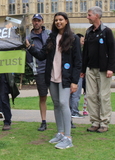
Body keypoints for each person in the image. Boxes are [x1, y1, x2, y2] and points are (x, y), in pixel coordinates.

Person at [26, 12, 81, 149]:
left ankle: (68, 137)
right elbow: (41, 55)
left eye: (61, 20)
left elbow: (78, 62)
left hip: (65, 77)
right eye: (56, 20)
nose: (58, 22)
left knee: (63, 103)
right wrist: (28, 47)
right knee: (56, 104)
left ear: (66, 21)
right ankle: (60, 132)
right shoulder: (52, 37)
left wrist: (74, 81)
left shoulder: (73, 38)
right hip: (52, 76)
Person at [81, 6, 115, 133]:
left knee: (103, 96)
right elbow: (85, 52)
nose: (87, 17)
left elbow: (112, 51)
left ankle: (104, 122)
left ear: (97, 16)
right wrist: (82, 69)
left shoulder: (107, 31)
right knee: (90, 96)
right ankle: (95, 122)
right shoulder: (88, 32)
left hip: (103, 69)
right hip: (90, 69)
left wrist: (110, 68)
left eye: (89, 15)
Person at [26, 13, 50, 131]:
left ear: (42, 22)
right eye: (34, 20)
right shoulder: (28, 37)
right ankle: (44, 121)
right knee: (42, 96)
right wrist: (33, 67)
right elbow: (27, 56)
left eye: (38, 21)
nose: (36, 23)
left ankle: (65, 120)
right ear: (32, 22)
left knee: (59, 97)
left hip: (51, 70)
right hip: (39, 71)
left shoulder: (49, 34)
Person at [70, 34, 85, 120]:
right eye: (82, 41)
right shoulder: (78, 51)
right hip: (77, 74)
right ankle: (74, 111)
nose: (83, 43)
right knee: (76, 94)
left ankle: (72, 110)